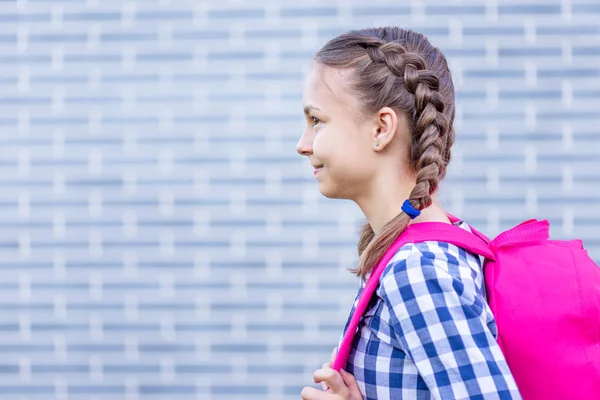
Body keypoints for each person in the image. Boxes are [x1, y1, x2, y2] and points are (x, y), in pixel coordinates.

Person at [296, 26, 521, 400]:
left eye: (317, 120)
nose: (302, 145)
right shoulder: (422, 248)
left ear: (381, 128)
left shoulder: (418, 269)